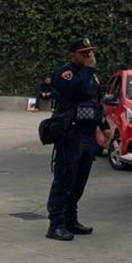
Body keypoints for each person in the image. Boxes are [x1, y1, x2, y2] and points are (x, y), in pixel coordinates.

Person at [45, 38, 111, 241]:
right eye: (84, 53)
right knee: (64, 179)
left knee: (79, 180)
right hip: (71, 132)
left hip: (88, 132)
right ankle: (56, 224)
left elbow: (96, 102)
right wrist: (89, 70)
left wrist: (104, 126)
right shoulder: (66, 74)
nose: (89, 56)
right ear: (73, 54)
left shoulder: (91, 76)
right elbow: (77, 91)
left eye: (90, 52)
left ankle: (70, 220)